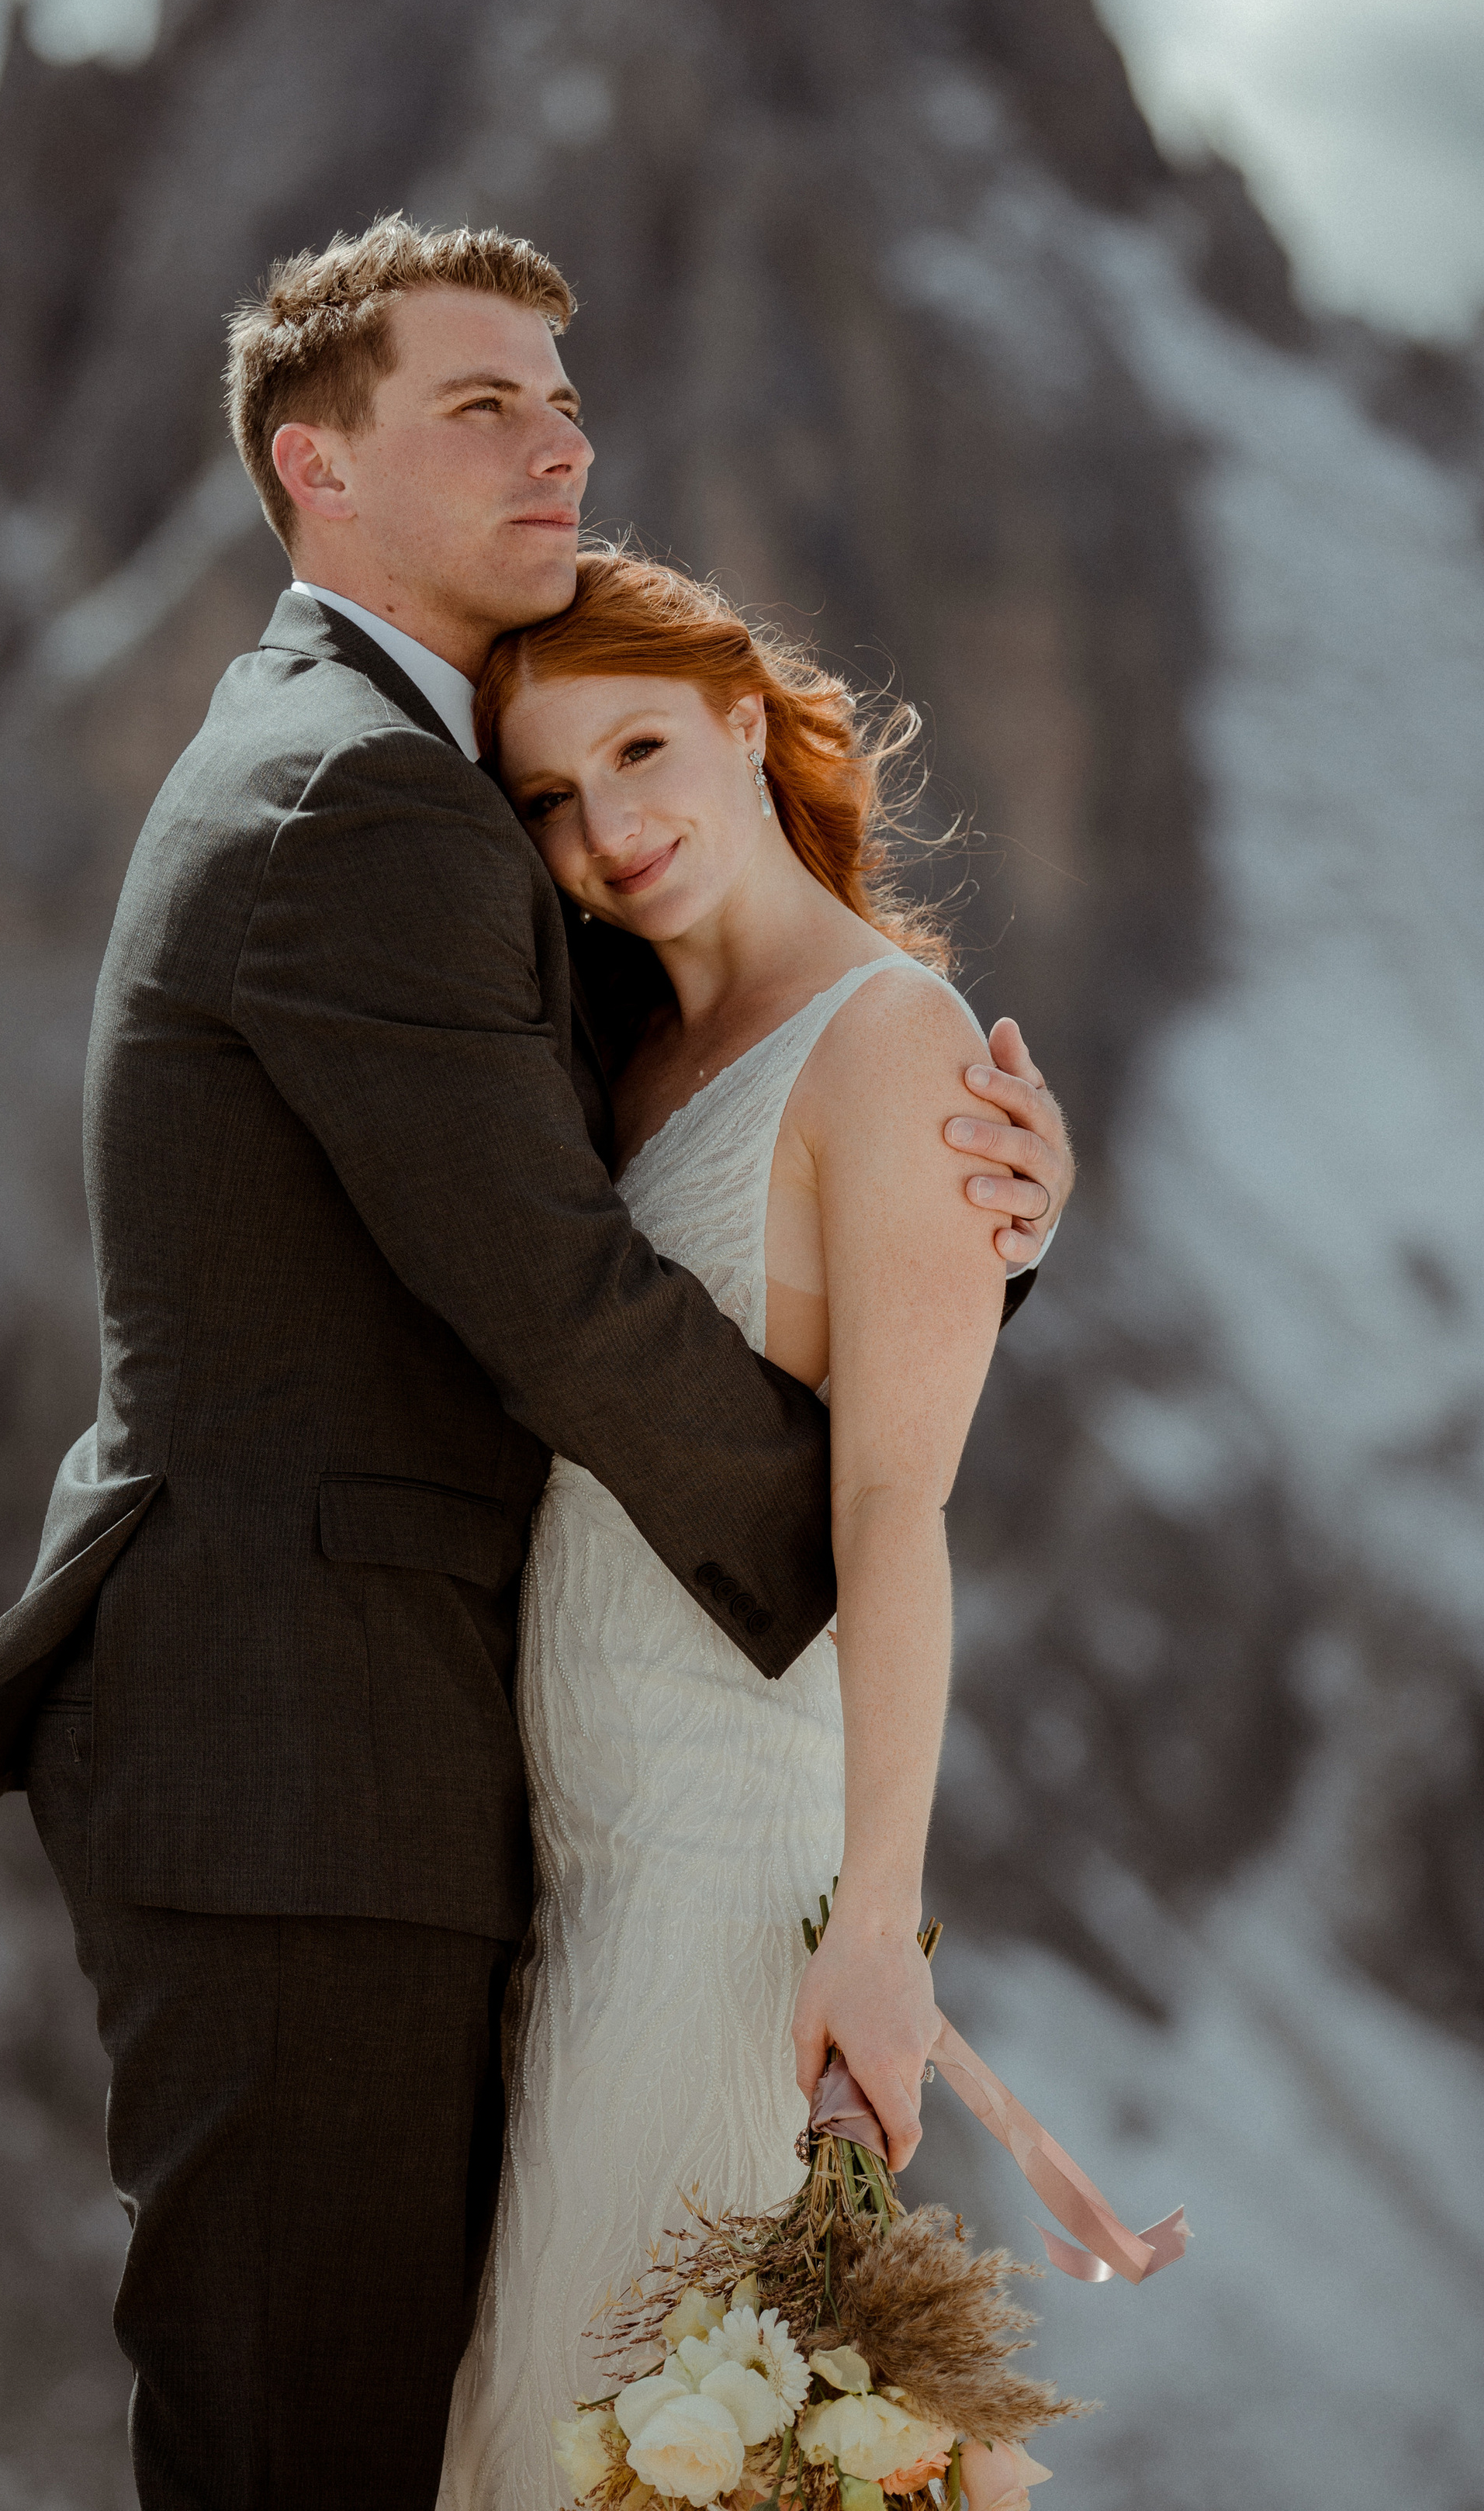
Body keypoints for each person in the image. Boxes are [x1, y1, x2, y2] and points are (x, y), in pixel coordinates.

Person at [0, 216, 1072, 2511]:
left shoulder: (425, 786)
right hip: (298, 1761)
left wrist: (965, 1216)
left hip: (399, 1756)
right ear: (311, 466)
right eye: (485, 405)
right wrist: (860, 1552)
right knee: (303, 2446)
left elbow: (719, 1149)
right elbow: (555, 1283)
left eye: (564, 397)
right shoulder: (353, 797)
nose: (564, 438)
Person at [437, 548, 1022, 2507]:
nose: (606, 829)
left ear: (746, 727)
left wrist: (871, 1921)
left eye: (639, 750)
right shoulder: (623, 1053)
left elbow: (893, 1505)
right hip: (584, 1881)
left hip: (725, 1884)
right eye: (548, 797)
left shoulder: (888, 1042)